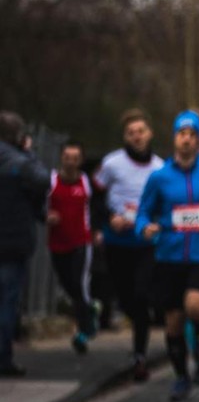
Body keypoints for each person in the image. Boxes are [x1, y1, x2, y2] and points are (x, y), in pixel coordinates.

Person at [135, 111, 199, 401]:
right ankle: (181, 376)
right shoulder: (159, 177)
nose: (188, 140)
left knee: (197, 305)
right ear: (174, 138)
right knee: (174, 321)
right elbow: (143, 212)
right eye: (182, 134)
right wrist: (145, 227)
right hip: (169, 255)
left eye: (193, 135)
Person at [95, 108, 166, 380]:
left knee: (141, 294)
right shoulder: (111, 164)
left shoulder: (160, 168)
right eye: (131, 133)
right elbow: (95, 197)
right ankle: (137, 330)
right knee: (126, 298)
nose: (136, 137)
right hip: (117, 242)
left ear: (150, 134)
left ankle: (140, 355)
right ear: (125, 137)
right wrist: (109, 217)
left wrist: (156, 221)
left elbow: (165, 202)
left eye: (141, 131)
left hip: (146, 242)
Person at [0, 112, 49, 376]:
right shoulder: (18, 161)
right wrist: (29, 152)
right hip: (11, 243)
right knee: (7, 303)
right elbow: (42, 180)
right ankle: (3, 359)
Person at [48, 141, 98, 354]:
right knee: (67, 285)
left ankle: (84, 331)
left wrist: (97, 231)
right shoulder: (51, 181)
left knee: (79, 285)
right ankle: (92, 308)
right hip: (57, 243)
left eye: (75, 158)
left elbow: (96, 208)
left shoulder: (86, 182)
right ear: (61, 158)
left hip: (82, 242)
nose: (70, 162)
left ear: (81, 161)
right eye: (67, 157)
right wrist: (46, 216)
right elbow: (39, 205)